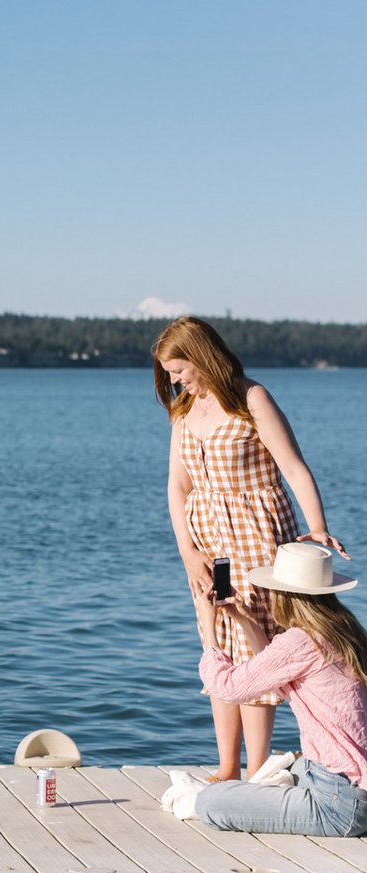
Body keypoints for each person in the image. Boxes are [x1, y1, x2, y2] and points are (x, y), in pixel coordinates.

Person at [154, 316, 349, 782]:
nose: (173, 379)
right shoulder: (184, 411)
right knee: (216, 638)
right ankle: (226, 767)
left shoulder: (251, 399)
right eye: (168, 372)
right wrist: (189, 553)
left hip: (257, 537)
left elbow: (294, 467)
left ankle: (257, 767)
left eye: (179, 369)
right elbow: (176, 489)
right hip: (209, 545)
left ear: (203, 355)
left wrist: (318, 526)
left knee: (255, 648)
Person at [194, 542, 366, 836]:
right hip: (352, 785)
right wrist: (247, 621)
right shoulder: (345, 630)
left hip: (339, 807)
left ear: (284, 596)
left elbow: (227, 687)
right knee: (286, 773)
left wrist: (208, 627)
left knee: (208, 802)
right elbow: (284, 678)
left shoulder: (301, 641)